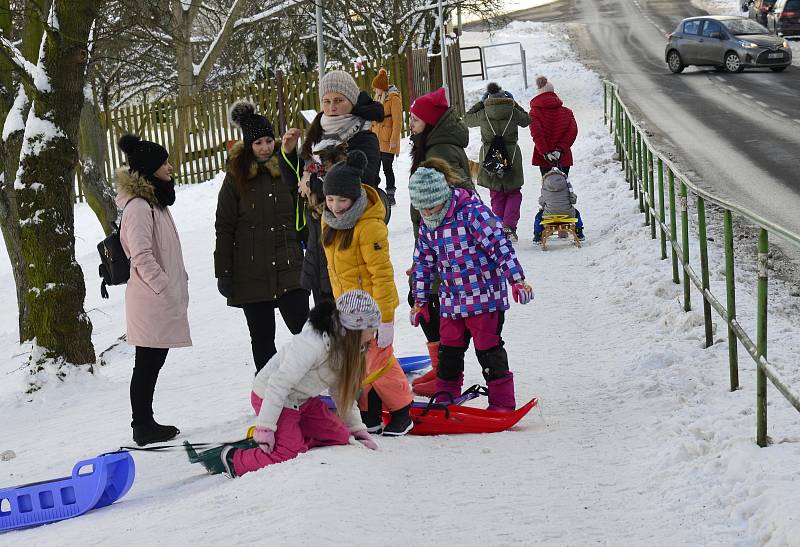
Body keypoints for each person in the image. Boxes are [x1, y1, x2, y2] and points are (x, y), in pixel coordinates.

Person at [186, 290, 381, 477]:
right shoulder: (312, 344)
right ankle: (231, 459)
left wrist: (357, 429)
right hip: (272, 397)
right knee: (289, 453)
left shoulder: (351, 348)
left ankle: (290, 435)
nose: (373, 336)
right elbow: (278, 383)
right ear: (355, 328)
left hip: (303, 400)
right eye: (371, 330)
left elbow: (341, 392)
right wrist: (265, 428)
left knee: (340, 437)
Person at [408, 165, 534, 412]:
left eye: (431, 207)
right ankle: (445, 396)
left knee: (488, 348)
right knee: (449, 350)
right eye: (422, 209)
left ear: (443, 197)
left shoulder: (472, 213)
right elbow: (423, 264)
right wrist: (420, 301)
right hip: (452, 301)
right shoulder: (427, 225)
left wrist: (516, 280)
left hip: (483, 297)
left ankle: (502, 402)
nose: (427, 213)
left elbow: (500, 246)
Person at [321, 150, 414, 436]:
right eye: (330, 199)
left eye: (342, 200)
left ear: (355, 198)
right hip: (347, 310)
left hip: (372, 311)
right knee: (357, 364)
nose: (335, 206)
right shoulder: (330, 222)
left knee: (380, 362)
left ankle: (402, 412)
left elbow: (382, 275)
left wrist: (386, 319)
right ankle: (369, 414)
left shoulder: (369, 227)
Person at [215, 101, 308, 374]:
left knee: (305, 332)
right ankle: (268, 393)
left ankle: (310, 386)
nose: (266, 147)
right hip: (251, 271)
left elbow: (303, 211)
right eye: (258, 143)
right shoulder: (236, 178)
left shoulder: (288, 168)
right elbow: (224, 226)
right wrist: (225, 272)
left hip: (290, 264)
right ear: (248, 145)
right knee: (263, 339)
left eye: (269, 140)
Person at [280, 70, 385, 303]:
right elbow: (295, 184)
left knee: (353, 317)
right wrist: (288, 152)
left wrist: (314, 181)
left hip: (351, 235)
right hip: (319, 235)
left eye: (339, 100)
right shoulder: (316, 135)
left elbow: (360, 180)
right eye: (327, 101)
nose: (332, 106)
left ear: (351, 101)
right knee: (327, 317)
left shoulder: (364, 136)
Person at [116, 134, 191, 446]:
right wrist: (164, 286)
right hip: (151, 299)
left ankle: (145, 422)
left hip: (159, 298)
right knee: (146, 363)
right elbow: (141, 255)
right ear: (149, 169)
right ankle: (142, 425)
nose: (170, 167)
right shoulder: (138, 207)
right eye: (164, 163)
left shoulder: (155, 201)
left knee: (151, 362)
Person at [407, 87, 475, 393]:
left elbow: (454, 200)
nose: (410, 123)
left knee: (429, 303)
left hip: (443, 244)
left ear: (431, 123)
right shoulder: (436, 145)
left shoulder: (438, 152)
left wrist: (434, 250)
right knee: (428, 302)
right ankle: (441, 369)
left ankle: (444, 373)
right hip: (436, 243)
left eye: (416, 119)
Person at [463, 82, 531, 243]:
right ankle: (509, 226)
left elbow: (466, 119)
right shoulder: (512, 111)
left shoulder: (484, 112)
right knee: (514, 192)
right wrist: (514, 104)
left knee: (496, 194)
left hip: (489, 156)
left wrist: (480, 104)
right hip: (512, 155)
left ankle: (497, 228)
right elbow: (527, 120)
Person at [529, 76, 578, 177]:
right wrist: (560, 150)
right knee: (563, 186)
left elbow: (537, 135)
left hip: (544, 159)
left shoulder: (534, 113)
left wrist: (545, 153)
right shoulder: (567, 112)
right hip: (563, 158)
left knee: (548, 188)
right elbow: (572, 132)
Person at [371, 68, 402, 206]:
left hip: (388, 140)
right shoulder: (376, 98)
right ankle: (374, 193)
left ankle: (390, 195)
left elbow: (398, 121)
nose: (374, 90)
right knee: (374, 168)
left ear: (382, 88)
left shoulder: (393, 99)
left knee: (387, 168)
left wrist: (394, 140)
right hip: (376, 140)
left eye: (376, 88)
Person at [533, 168, 585, 242]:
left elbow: (542, 202)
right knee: (577, 213)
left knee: (538, 217)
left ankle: (538, 235)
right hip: (567, 214)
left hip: (549, 215)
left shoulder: (545, 187)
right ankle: (579, 232)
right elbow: (573, 200)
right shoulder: (567, 186)